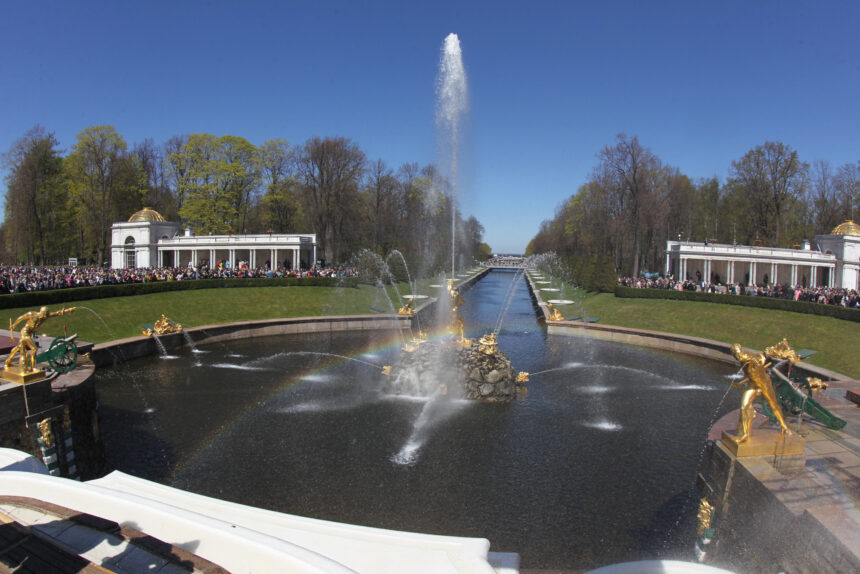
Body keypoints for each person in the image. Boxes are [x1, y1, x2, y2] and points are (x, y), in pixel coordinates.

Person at [729, 343, 791, 442]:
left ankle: (784, 425)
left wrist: (757, 360)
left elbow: (757, 361)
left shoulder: (748, 357)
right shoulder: (742, 361)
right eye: (735, 354)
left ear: (741, 351)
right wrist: (740, 383)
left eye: (738, 353)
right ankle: (745, 434)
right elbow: (751, 375)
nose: (738, 356)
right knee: (744, 407)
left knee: (773, 405)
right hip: (753, 384)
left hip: (764, 384)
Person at [5, 306, 75, 372]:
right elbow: (20, 318)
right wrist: (13, 325)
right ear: (41, 312)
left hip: (30, 333)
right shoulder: (31, 314)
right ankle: (33, 368)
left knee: (18, 347)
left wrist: (68, 310)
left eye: (46, 315)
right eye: (44, 315)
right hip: (25, 332)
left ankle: (8, 361)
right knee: (34, 349)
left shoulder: (45, 316)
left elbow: (57, 313)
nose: (45, 317)